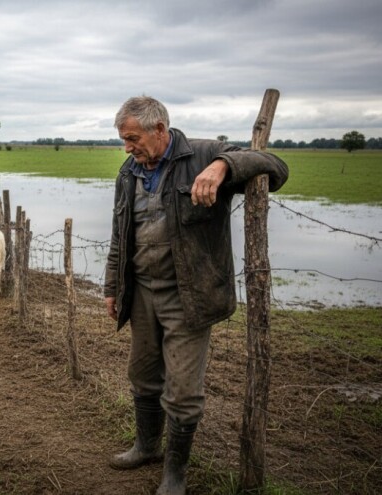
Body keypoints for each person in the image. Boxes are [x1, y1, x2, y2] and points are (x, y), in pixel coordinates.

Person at [104, 96, 288, 495]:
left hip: (188, 295)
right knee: (142, 375)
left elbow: (276, 166)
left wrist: (223, 167)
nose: (127, 147)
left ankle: (175, 474)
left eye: (132, 138)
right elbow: (120, 234)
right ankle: (147, 447)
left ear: (159, 129)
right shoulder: (128, 171)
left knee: (183, 390)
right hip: (141, 291)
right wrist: (111, 287)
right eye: (123, 139)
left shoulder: (204, 154)